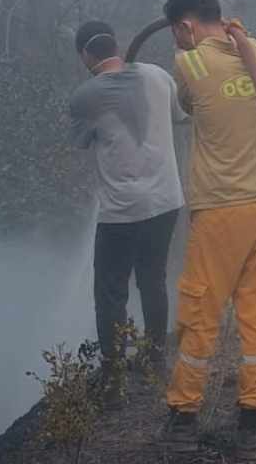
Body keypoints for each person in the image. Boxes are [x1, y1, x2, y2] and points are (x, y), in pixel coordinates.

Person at [161, 0, 256, 461]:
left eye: (177, 33)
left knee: (200, 311)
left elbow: (187, 98)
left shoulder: (190, 63)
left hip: (223, 208)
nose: (177, 42)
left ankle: (183, 416)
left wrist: (198, 47)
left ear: (186, 25)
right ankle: (252, 420)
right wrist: (238, 35)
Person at [68, 21, 186, 405]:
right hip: (166, 201)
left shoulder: (85, 96)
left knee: (110, 292)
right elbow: (181, 115)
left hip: (121, 210)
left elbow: (82, 142)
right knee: (153, 279)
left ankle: (114, 378)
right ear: (115, 44)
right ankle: (156, 359)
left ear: (85, 54)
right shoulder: (158, 76)